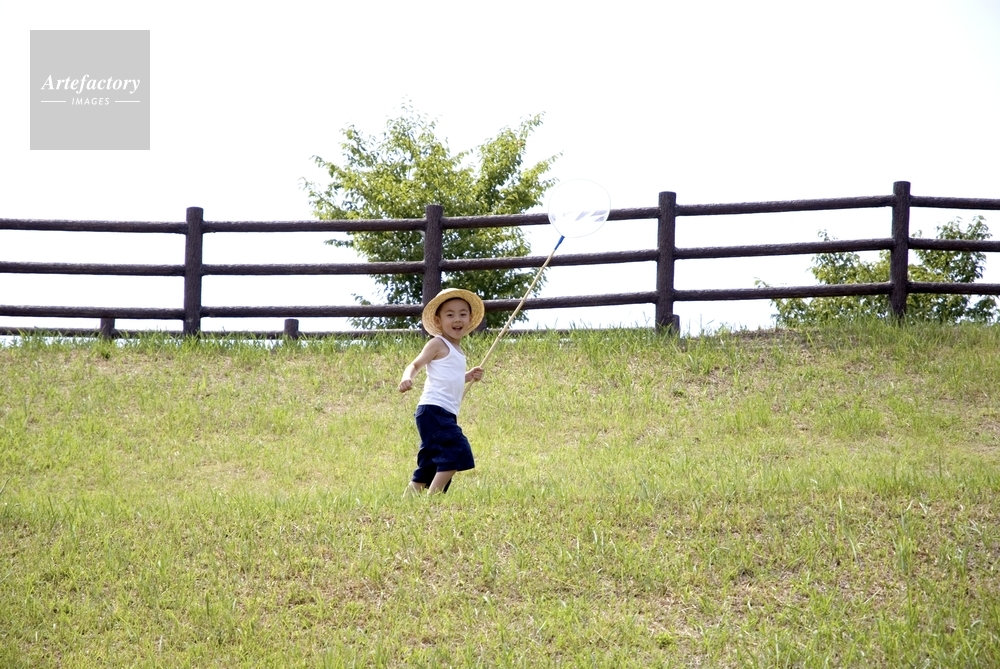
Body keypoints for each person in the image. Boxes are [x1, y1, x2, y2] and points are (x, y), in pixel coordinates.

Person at [398, 288, 485, 496]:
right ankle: (434, 499)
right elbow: (415, 364)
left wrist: (467, 376)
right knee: (456, 450)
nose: (457, 319)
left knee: (429, 462)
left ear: (470, 318)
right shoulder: (437, 343)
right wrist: (407, 377)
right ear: (438, 321)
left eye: (463, 314)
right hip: (434, 410)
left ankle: (407, 500)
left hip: (443, 412)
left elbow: (449, 377)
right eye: (450, 314)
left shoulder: (458, 351)